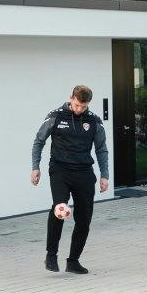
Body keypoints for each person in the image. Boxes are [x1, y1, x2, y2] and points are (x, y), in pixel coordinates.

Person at [29, 84, 110, 274]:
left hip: (84, 172)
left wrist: (104, 175)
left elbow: (101, 149)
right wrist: (35, 167)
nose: (79, 109)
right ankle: (51, 255)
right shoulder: (56, 116)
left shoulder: (94, 121)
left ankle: (73, 261)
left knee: (84, 219)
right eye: (76, 105)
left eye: (83, 106)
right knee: (60, 208)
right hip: (60, 170)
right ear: (71, 98)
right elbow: (39, 141)